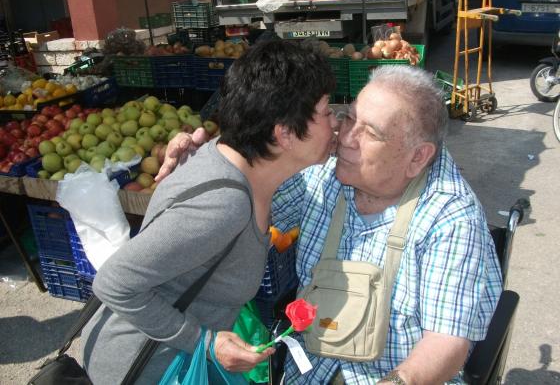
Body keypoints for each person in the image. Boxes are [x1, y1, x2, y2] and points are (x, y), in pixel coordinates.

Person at [159, 64, 503, 384]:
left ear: (417, 157)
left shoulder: (451, 218)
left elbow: (446, 342)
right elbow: (248, 199)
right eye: (349, 118)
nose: (346, 138)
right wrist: (207, 165)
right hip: (309, 372)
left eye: (370, 133)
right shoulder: (323, 173)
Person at [80, 39, 338, 384]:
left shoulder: (238, 162)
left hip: (177, 359)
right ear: (285, 134)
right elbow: (114, 283)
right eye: (326, 111)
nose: (335, 121)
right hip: (148, 368)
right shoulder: (223, 205)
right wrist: (205, 342)